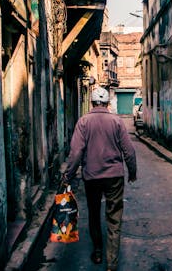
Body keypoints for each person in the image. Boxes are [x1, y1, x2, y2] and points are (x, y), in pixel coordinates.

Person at [62, 86, 137, 271]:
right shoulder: (117, 122)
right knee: (114, 218)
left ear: (92, 102)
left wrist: (68, 175)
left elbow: (76, 152)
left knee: (94, 213)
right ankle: (112, 263)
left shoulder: (84, 122)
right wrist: (132, 172)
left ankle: (97, 252)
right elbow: (129, 151)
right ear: (107, 103)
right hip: (114, 177)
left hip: (92, 176)